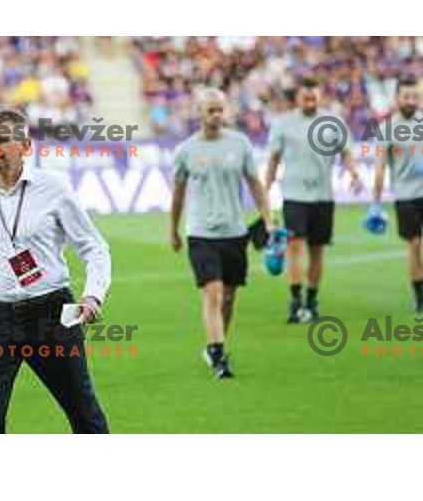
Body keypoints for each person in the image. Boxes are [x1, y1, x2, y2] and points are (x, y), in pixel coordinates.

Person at [0, 107, 111, 433]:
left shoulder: (54, 188)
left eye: (1, 140)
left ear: (25, 147)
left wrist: (94, 295)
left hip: (51, 314)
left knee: (84, 413)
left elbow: (93, 246)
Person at [170, 89, 272, 379]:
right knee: (213, 293)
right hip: (201, 233)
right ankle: (218, 354)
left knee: (229, 296)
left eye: (220, 110)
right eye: (210, 110)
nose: (216, 115)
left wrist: (268, 219)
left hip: (235, 232)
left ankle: (216, 343)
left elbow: (255, 184)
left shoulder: (239, 144)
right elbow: (177, 195)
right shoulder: (186, 150)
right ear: (199, 112)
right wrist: (173, 230)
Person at [264, 76, 363, 323]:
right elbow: (273, 159)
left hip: (323, 196)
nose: (310, 100)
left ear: (319, 96)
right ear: (297, 98)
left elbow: (346, 153)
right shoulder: (284, 124)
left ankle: (312, 300)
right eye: (305, 96)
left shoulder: (333, 122)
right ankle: (296, 302)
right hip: (294, 196)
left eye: (313, 96)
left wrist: (354, 174)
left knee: (317, 251)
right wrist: (265, 188)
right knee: (294, 247)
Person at [373, 75, 423, 312]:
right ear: (397, 98)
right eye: (407, 96)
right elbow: (380, 167)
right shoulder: (387, 129)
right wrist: (375, 203)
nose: (411, 101)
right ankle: (420, 296)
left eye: (415, 96)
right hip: (406, 197)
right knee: (414, 245)